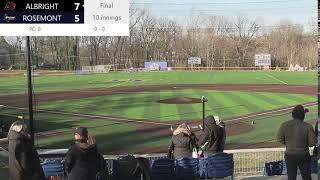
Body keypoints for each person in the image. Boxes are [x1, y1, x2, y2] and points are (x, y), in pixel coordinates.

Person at [277, 105, 316, 180]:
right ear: (303, 115)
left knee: (291, 177)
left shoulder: (284, 125)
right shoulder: (308, 126)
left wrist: (289, 143)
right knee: (307, 176)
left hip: (290, 155)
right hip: (304, 155)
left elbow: (279, 138)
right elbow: (312, 143)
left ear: (293, 114)